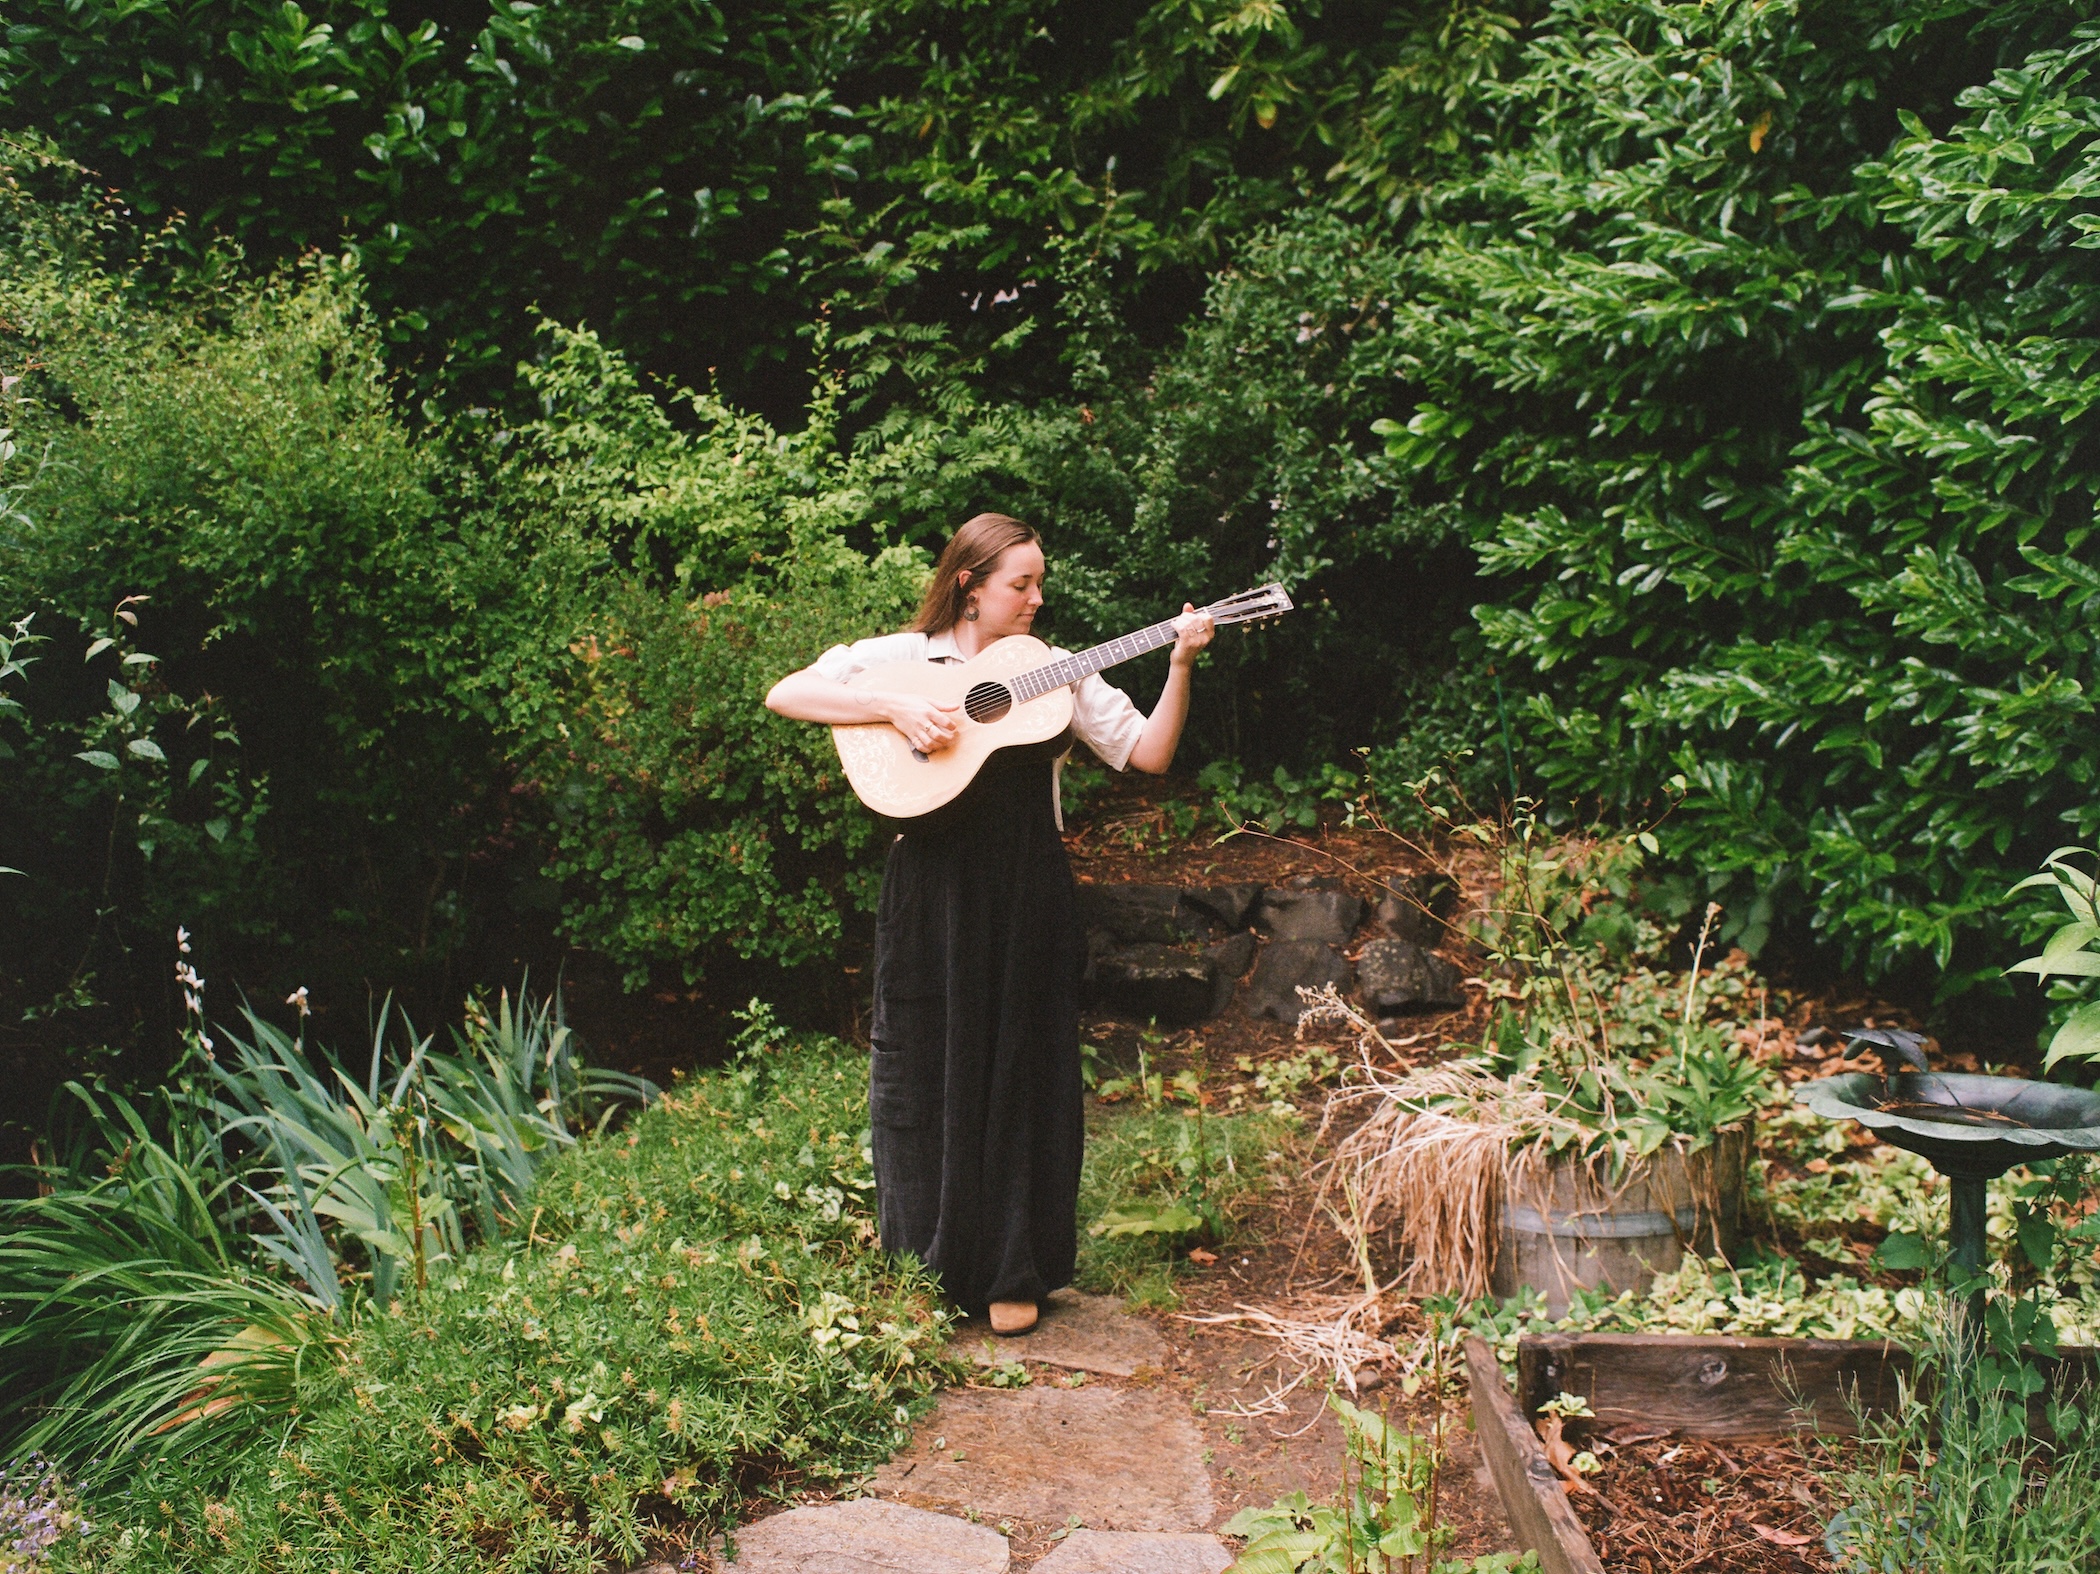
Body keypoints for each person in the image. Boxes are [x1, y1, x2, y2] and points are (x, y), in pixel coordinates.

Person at [764, 513, 1214, 1335]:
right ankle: (926, 1260)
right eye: (1021, 584)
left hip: (1027, 885)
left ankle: (1014, 1266)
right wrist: (894, 709)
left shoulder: (1054, 669)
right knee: (925, 1063)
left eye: (1041, 582)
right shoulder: (904, 656)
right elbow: (787, 692)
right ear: (970, 585)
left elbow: (1148, 753)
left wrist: (1180, 662)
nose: (1037, 598)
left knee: (1023, 1068)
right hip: (932, 887)